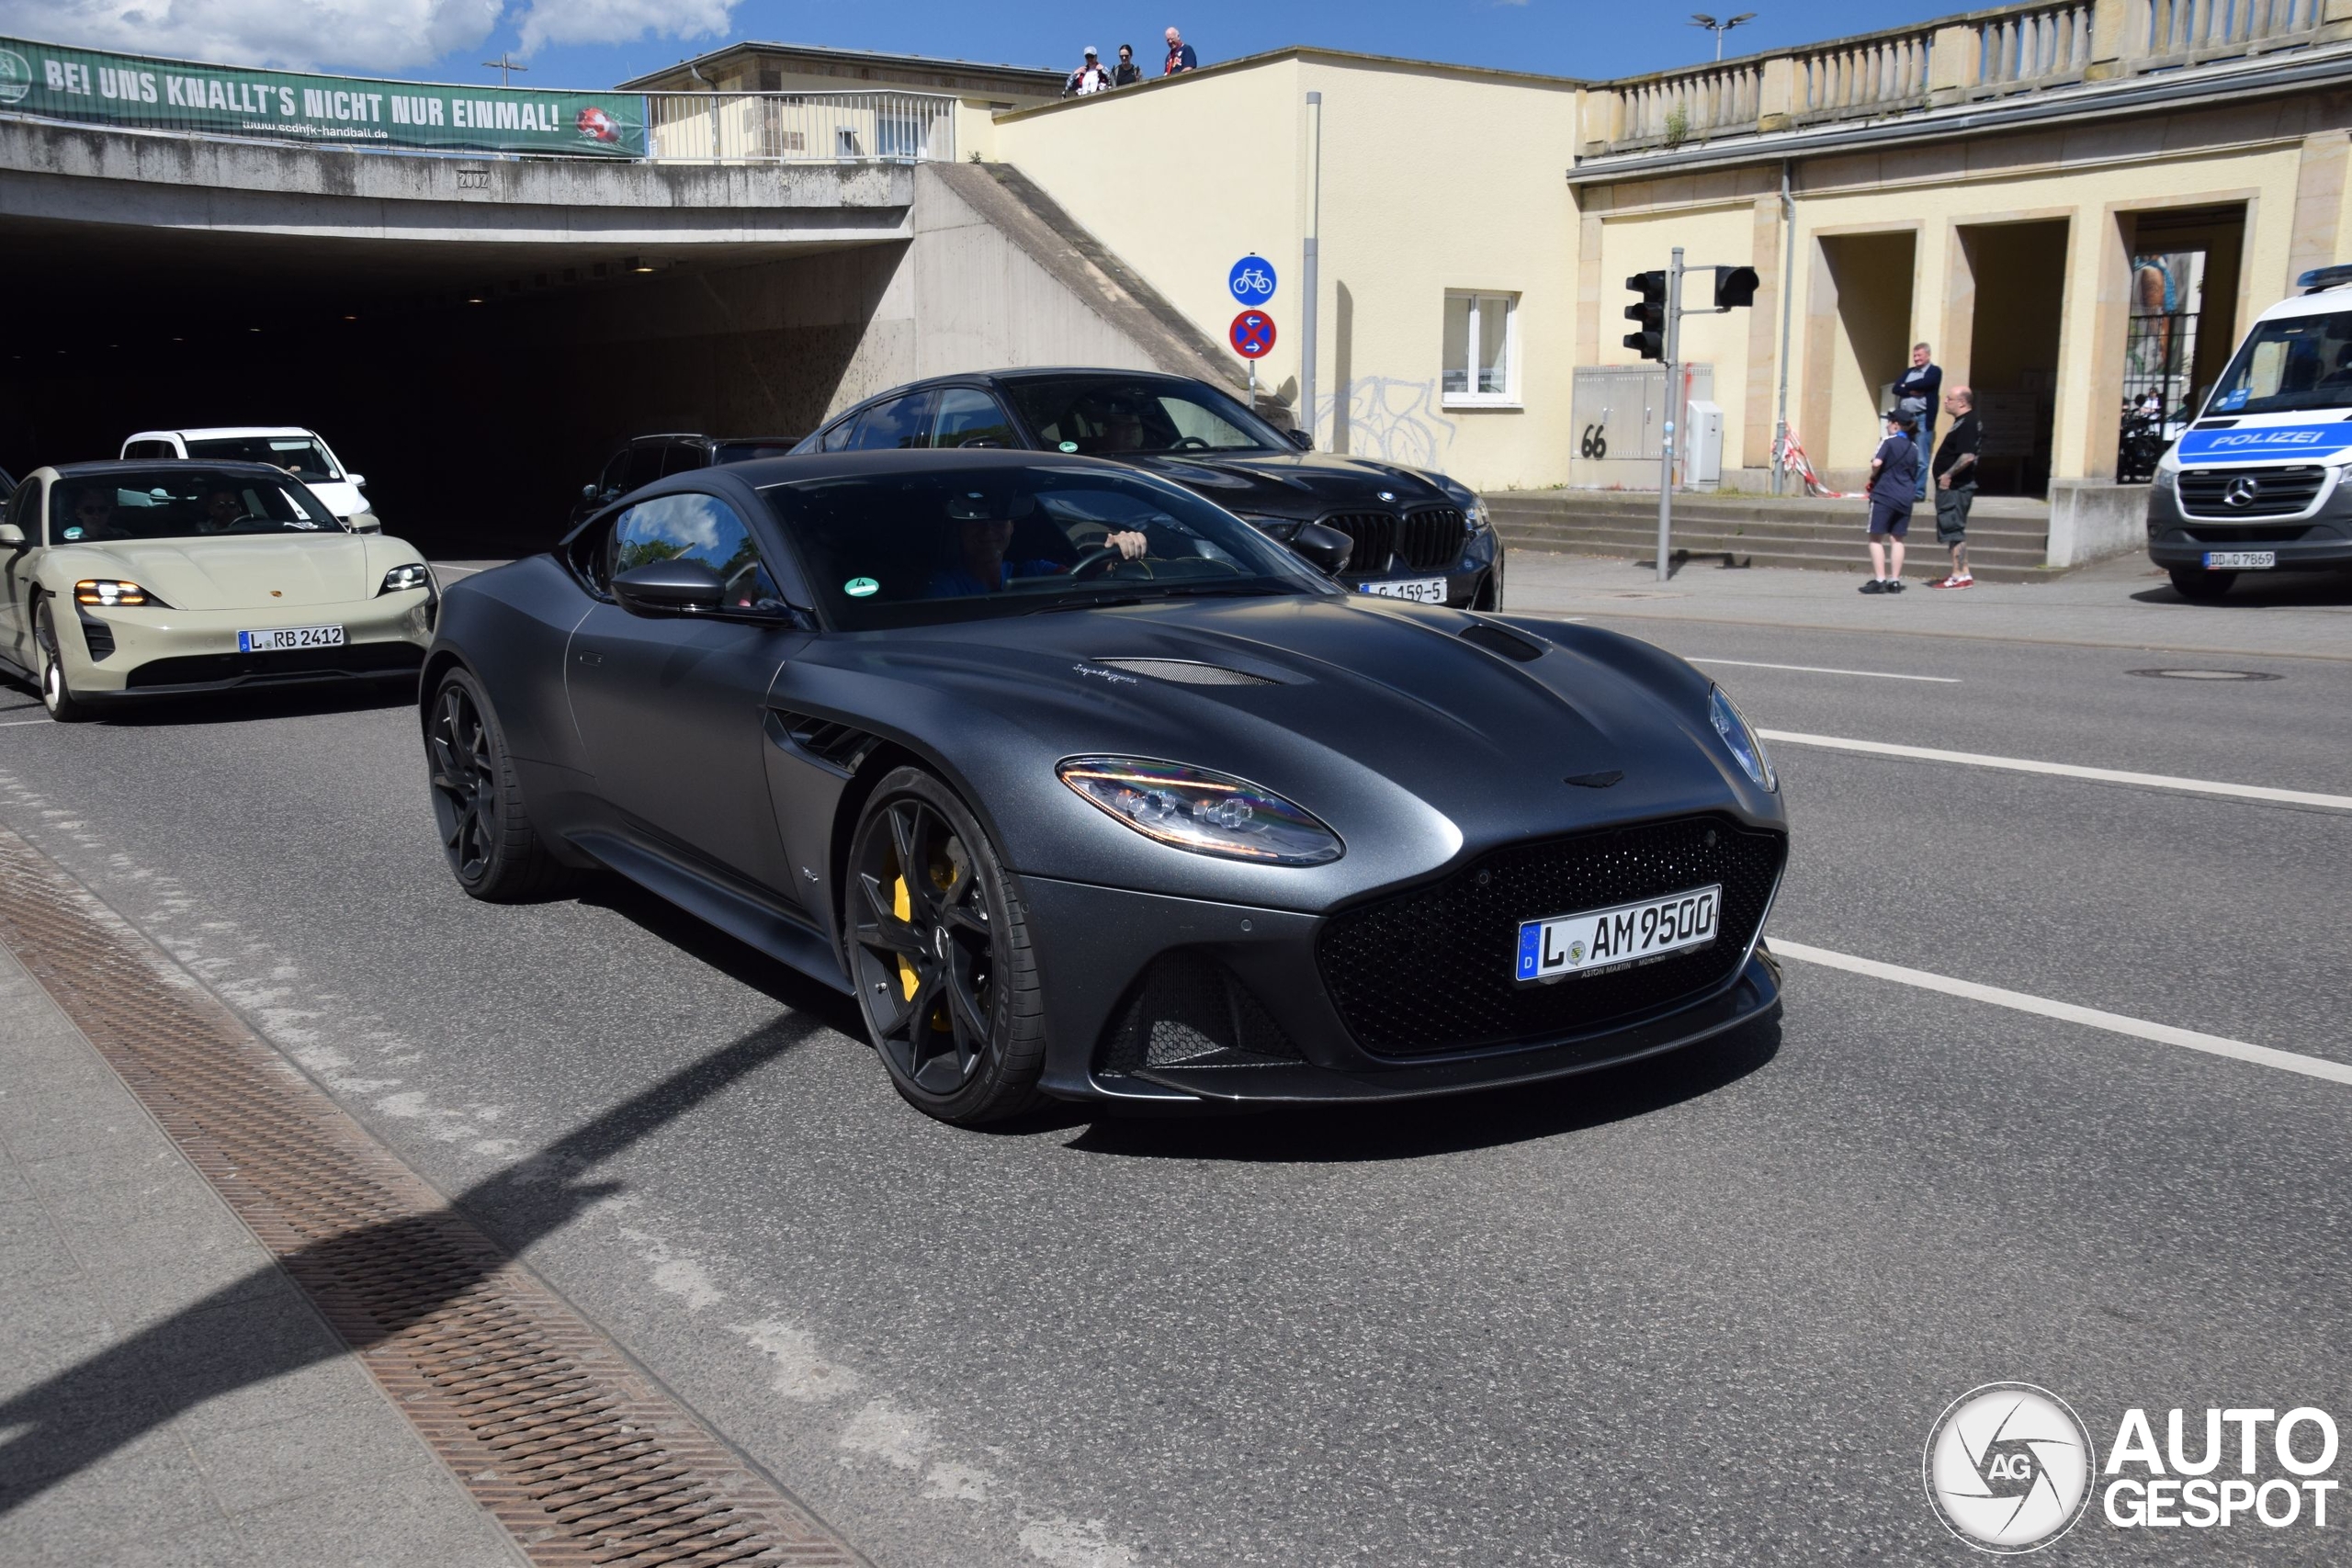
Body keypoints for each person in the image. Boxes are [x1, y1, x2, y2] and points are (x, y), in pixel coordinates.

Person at [927, 496, 1146, 597]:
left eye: (999, 522)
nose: (988, 531)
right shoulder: (944, 589)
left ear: (1012, 527)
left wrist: (1115, 554)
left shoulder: (1032, 571)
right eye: (977, 524)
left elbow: (1079, 579)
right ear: (960, 530)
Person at [1860, 408, 1920, 595]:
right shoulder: (1914, 447)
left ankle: (1880, 580)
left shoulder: (1887, 442)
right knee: (1897, 538)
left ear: (1896, 424)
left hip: (1885, 494)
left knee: (1876, 537)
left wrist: (1873, 476)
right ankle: (1895, 580)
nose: (1886, 425)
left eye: (1889, 422)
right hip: (1906, 496)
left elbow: (1877, 463)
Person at [1928, 386, 1981, 589]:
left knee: (1953, 529)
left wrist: (1948, 475)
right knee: (1954, 529)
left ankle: (1958, 575)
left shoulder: (1968, 422)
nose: (1945, 402)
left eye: (1949, 399)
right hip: (1955, 486)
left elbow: (1967, 456)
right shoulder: (1962, 422)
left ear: (1962, 402)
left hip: (1956, 487)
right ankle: (1963, 573)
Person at [1893, 342, 1941, 502]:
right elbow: (1896, 388)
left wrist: (1906, 386)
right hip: (1906, 418)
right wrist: (1911, 387)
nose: (1916, 359)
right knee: (1904, 453)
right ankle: (1903, 489)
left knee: (1921, 458)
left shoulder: (1934, 371)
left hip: (1922, 418)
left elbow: (1927, 384)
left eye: (1919, 355)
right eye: (1914, 355)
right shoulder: (1909, 371)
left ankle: (1918, 493)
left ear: (1928, 355)